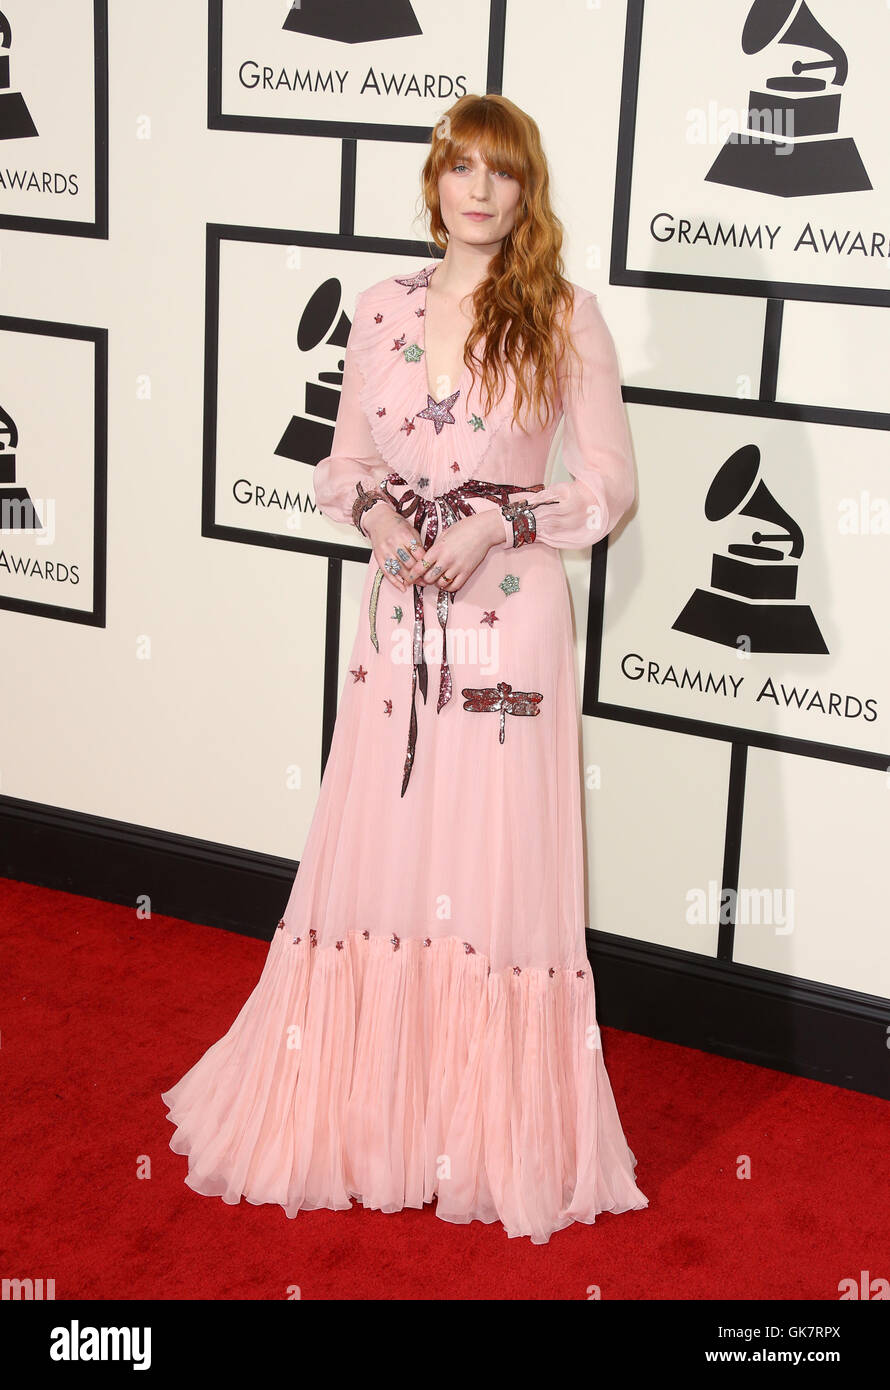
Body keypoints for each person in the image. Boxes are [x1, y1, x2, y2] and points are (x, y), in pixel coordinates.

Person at [162, 93, 648, 1245]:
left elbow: (610, 487)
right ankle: (371, 1116)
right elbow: (345, 463)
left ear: (527, 191)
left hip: (511, 616)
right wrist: (384, 529)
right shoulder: (377, 308)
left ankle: (486, 1133)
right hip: (398, 618)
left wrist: (499, 526)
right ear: (432, 184)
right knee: (384, 848)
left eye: (503, 173)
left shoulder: (564, 316)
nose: (479, 191)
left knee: (490, 859)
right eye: (460, 169)